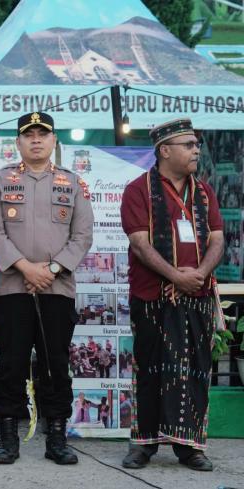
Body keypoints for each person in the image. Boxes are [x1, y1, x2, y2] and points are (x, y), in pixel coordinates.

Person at [0, 112, 93, 465]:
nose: (35, 140)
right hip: (12, 289)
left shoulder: (73, 183)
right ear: (18, 142)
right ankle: (8, 439)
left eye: (42, 134)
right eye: (28, 135)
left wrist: (53, 269)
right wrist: (27, 268)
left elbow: (83, 235)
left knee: (55, 365)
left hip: (56, 290)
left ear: (53, 140)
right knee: (10, 364)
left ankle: (57, 438)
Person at [120, 118, 223, 472]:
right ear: (165, 150)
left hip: (197, 294)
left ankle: (190, 447)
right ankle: (143, 444)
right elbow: (139, 243)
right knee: (149, 368)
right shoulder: (138, 190)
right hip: (153, 296)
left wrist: (200, 274)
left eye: (196, 145)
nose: (196, 150)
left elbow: (218, 238)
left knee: (195, 370)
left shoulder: (205, 192)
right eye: (189, 145)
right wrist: (175, 276)